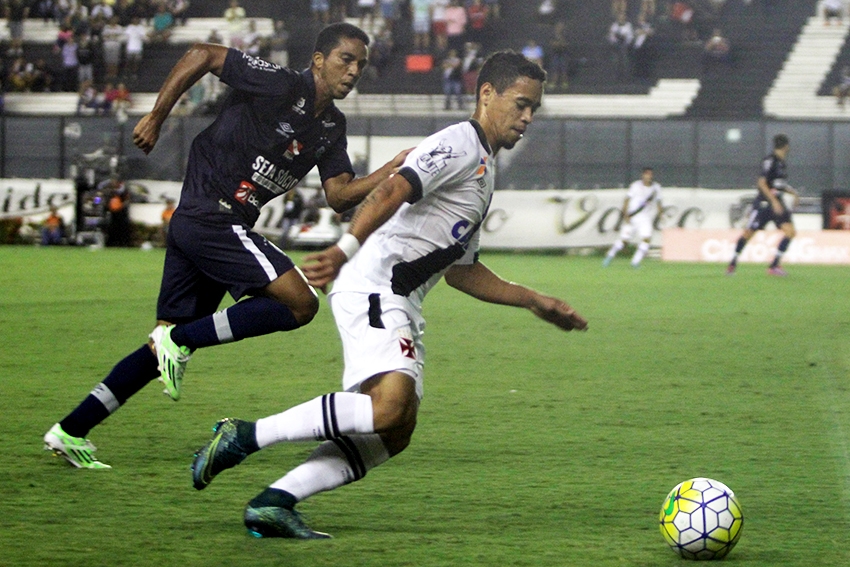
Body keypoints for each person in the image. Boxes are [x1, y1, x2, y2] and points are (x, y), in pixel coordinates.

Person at [189, 50, 588, 539]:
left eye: (534, 109)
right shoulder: (459, 142)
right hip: (374, 285)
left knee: (393, 432)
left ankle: (274, 502)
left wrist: (532, 299)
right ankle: (244, 436)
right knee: (388, 409)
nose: (527, 118)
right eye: (522, 104)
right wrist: (344, 249)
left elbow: (462, 270)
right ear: (487, 94)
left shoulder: (484, 169)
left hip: (400, 299)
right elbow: (393, 189)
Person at [43, 23, 410, 469]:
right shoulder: (280, 83)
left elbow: (339, 195)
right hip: (211, 216)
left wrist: (391, 171)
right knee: (301, 303)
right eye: (345, 60)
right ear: (318, 60)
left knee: (159, 351)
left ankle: (70, 430)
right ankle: (181, 340)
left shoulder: (331, 125)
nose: (354, 71)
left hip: (205, 227)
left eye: (361, 64)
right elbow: (203, 53)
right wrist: (157, 115)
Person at [726, 134, 799, 276]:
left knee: (790, 232)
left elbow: (779, 186)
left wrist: (793, 193)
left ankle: (774, 266)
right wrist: (773, 200)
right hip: (765, 203)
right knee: (748, 234)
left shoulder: (782, 163)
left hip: (778, 202)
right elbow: (761, 183)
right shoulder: (770, 160)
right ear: (785, 146)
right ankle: (732, 263)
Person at [602, 167, 662, 268]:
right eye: (647, 174)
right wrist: (625, 215)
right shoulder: (635, 186)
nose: (649, 176)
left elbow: (658, 201)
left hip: (645, 218)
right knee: (624, 241)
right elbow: (626, 200)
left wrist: (661, 214)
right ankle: (609, 257)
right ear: (643, 175)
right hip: (633, 217)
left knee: (646, 239)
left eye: (650, 174)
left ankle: (635, 262)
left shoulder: (656, 187)